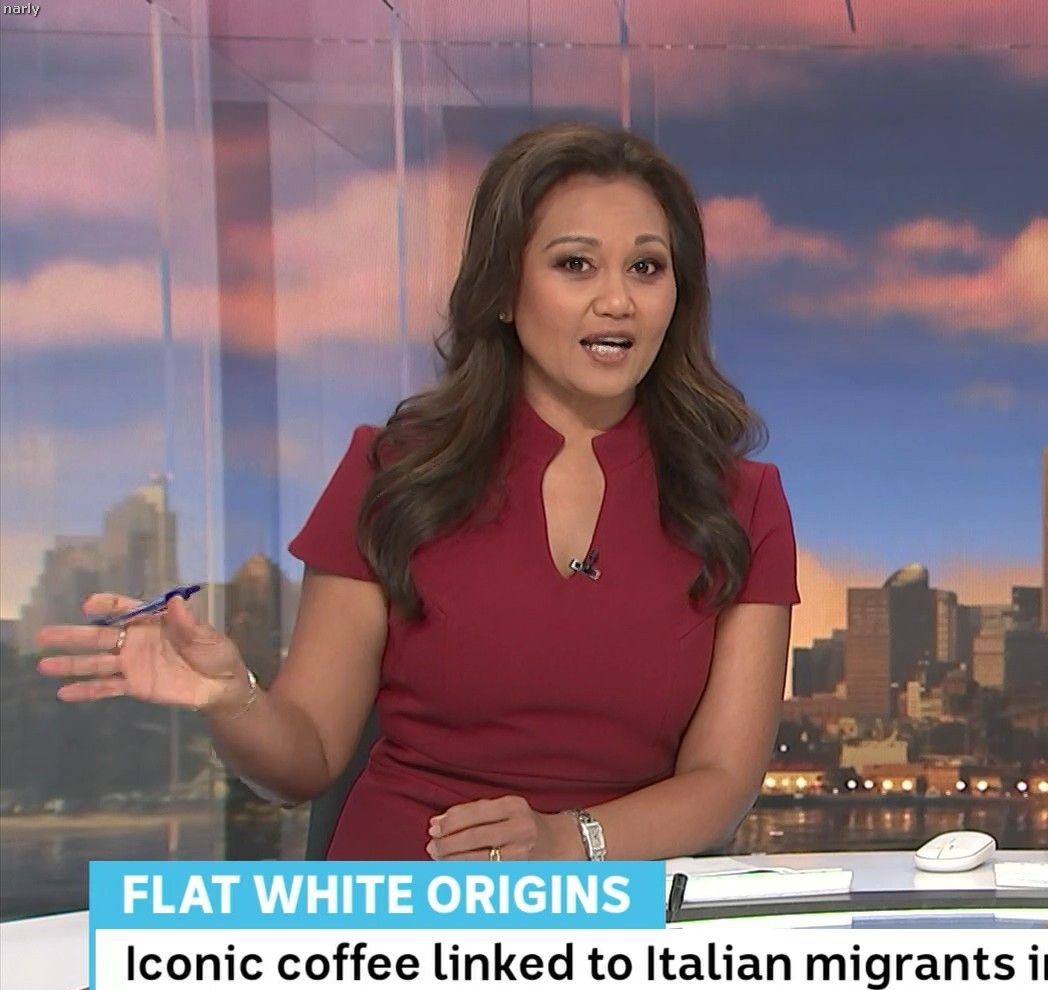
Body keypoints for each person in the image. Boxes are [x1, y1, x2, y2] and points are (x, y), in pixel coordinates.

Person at [35, 123, 798, 862]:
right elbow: (306, 756)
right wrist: (233, 699)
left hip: (615, 905)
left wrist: (569, 841)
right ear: (504, 291)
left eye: (646, 268)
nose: (618, 301)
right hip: (400, 904)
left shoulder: (743, 502)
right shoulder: (394, 472)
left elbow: (722, 781)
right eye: (575, 264)